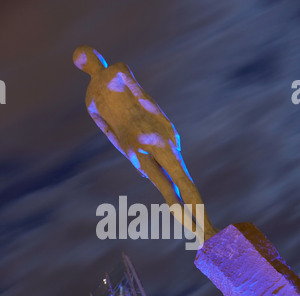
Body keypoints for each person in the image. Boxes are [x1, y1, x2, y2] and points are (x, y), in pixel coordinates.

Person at [73, 45, 217, 242]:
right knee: (181, 179)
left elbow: (110, 134)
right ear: (96, 56)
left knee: (168, 192)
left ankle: (199, 237)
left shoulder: (89, 100)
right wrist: (167, 124)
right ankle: (208, 229)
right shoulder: (116, 70)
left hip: (130, 145)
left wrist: (131, 158)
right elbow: (142, 98)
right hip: (147, 128)